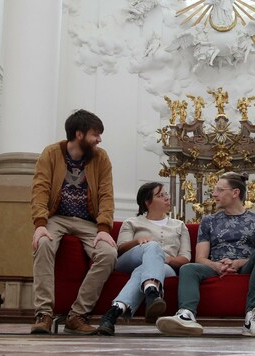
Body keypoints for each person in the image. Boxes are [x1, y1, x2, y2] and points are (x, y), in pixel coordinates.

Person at [30, 109, 118, 335]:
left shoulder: (101, 157)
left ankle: (77, 315)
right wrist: (40, 224)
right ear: (79, 134)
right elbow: (40, 189)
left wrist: (104, 228)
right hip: (56, 218)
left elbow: (106, 194)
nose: (99, 139)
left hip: (88, 221)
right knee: (44, 244)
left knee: (108, 253)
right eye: (95, 134)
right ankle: (44, 314)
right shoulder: (50, 154)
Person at [155, 172, 255, 337]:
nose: (214, 194)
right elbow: (200, 258)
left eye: (219, 190)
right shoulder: (208, 221)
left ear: (235, 193)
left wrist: (238, 263)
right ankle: (186, 315)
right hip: (215, 265)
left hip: (246, 266)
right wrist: (216, 266)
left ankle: (252, 317)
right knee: (188, 268)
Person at [96, 182, 191, 335]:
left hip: (166, 267)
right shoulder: (132, 222)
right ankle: (153, 292)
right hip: (130, 260)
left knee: (144, 268)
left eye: (166, 194)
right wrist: (137, 242)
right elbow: (120, 249)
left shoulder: (179, 225)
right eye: (161, 196)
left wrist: (165, 259)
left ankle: (114, 311)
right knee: (152, 246)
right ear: (147, 202)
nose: (167, 198)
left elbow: (186, 258)